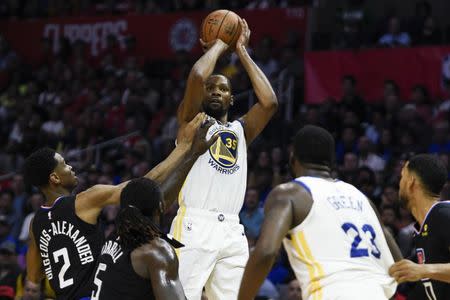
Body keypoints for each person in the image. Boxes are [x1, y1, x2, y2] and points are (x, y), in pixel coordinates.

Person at [23, 113, 211, 299]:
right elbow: (140, 189)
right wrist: (184, 147)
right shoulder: (83, 201)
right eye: (64, 164)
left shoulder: (35, 224)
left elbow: (34, 275)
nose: (70, 167)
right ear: (54, 178)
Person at [172, 18, 278, 300]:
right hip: (194, 223)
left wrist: (242, 51)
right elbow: (196, 76)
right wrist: (220, 43)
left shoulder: (241, 130)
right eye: (211, 88)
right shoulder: (191, 121)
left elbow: (269, 102)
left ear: (231, 99)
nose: (216, 91)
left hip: (232, 228)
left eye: (223, 89)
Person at [238, 125, 402, 300]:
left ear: (293, 158)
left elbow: (267, 251)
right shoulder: (362, 198)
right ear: (331, 163)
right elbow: (399, 262)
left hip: (332, 292)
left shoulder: (290, 193)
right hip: (378, 293)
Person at [91, 120, 217, 300]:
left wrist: (194, 154)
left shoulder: (117, 236)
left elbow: (163, 196)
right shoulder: (156, 251)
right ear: (160, 207)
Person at [389, 154, 450, 299]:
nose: (399, 183)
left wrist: (424, 270)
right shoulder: (425, 226)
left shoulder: (444, 214)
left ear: (411, 182)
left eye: (402, 176)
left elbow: (423, 271)